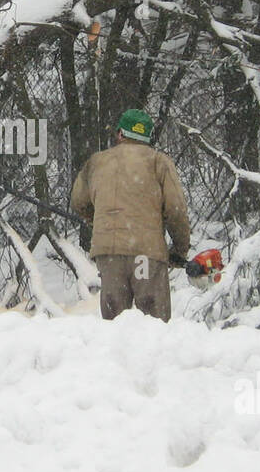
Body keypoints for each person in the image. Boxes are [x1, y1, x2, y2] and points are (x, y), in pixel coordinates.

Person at [70, 109, 191, 322]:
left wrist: (98, 220)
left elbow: (79, 202)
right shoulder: (158, 162)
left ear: (119, 134)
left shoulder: (97, 162)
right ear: (148, 136)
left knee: (114, 324)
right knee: (154, 323)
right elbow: (176, 209)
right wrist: (179, 251)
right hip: (147, 253)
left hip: (109, 254)